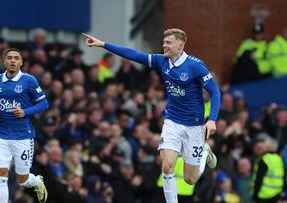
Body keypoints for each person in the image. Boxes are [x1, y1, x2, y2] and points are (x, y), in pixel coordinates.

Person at [82, 28, 221, 203]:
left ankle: (204, 152)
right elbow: (134, 55)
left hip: (194, 126)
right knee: (167, 166)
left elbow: (215, 93)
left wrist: (212, 120)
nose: (164, 45)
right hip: (172, 122)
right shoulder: (161, 61)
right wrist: (103, 44)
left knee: (189, 179)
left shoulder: (195, 66)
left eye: (168, 42)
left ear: (180, 45)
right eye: (164, 42)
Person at [0, 48, 49, 203]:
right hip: (1, 135)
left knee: (22, 179)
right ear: (4, 61)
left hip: (23, 136)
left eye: (16, 58)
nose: (13, 60)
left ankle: (37, 182)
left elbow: (44, 104)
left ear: (21, 62)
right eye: (9, 58)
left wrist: (25, 112)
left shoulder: (29, 80)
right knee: (1, 174)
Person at [252, 137, 284, 203]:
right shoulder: (279, 159)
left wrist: (254, 197)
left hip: (263, 195)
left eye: (263, 145)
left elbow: (258, 180)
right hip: (277, 194)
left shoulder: (264, 159)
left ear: (268, 147)